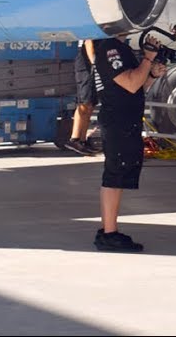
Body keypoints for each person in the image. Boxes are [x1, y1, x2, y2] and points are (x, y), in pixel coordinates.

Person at [89, 35, 165, 251]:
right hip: (117, 120)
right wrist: (148, 59)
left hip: (126, 120)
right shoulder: (109, 48)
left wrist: (152, 73)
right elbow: (130, 84)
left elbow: (137, 84)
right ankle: (109, 233)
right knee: (114, 175)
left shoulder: (121, 48)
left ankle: (109, 230)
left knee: (120, 174)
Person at [66, 41, 100, 156]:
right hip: (86, 65)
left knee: (90, 104)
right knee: (84, 102)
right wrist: (94, 64)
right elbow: (88, 42)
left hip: (93, 65)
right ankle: (74, 138)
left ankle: (82, 140)